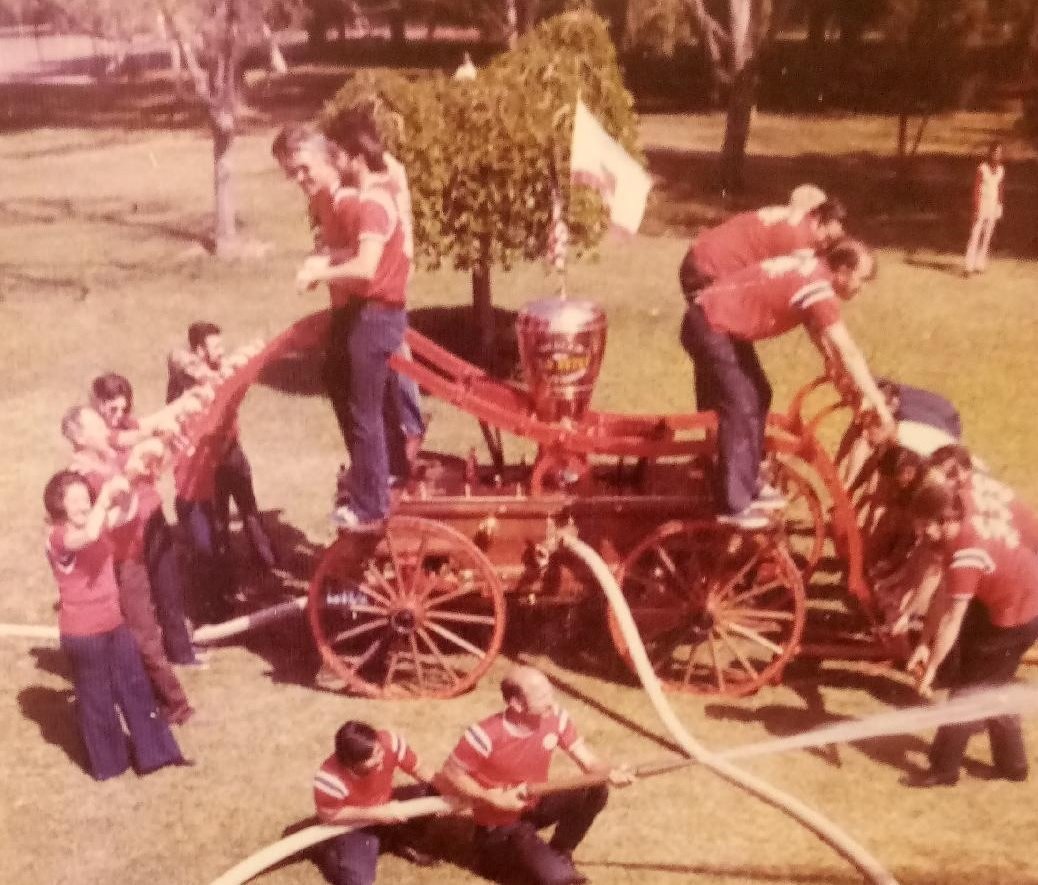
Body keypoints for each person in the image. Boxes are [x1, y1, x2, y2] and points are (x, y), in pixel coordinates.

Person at [680, 240, 896, 528]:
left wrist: (836, 371)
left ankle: (749, 479)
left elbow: (823, 338)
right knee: (742, 404)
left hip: (716, 321)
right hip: (711, 326)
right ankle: (732, 503)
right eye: (862, 279)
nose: (862, 288)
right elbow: (848, 351)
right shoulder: (819, 290)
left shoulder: (811, 268)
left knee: (760, 392)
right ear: (843, 271)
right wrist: (879, 403)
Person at [273, 123, 424, 484]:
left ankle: (378, 474)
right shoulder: (324, 198)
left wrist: (323, 270)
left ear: (328, 159)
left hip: (367, 306)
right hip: (351, 304)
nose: (298, 178)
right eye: (290, 172)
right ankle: (383, 467)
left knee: (365, 397)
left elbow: (368, 260)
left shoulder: (352, 199)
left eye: (303, 168)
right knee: (344, 380)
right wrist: (323, 258)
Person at [43, 469, 188, 780]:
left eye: (86, 498)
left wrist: (124, 488)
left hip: (114, 624)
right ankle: (110, 766)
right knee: (97, 701)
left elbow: (127, 512)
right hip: (83, 635)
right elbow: (89, 535)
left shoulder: (95, 521)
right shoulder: (59, 536)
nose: (83, 505)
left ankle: (157, 755)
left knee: (136, 688)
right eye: (75, 501)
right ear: (60, 507)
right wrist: (104, 499)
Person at [438, 665, 632, 885]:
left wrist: (610, 773)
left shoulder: (555, 717)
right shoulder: (484, 735)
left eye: (550, 692)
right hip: (499, 826)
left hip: (533, 806)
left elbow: (588, 761)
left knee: (594, 789)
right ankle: (509, 861)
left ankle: (560, 851)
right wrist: (492, 798)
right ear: (517, 704)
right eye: (542, 696)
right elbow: (451, 773)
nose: (552, 701)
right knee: (563, 881)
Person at [62, 405, 195, 723]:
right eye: (96, 426)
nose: (104, 431)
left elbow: (140, 472)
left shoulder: (108, 456)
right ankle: (175, 703)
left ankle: (165, 700)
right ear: (79, 437)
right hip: (118, 563)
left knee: (140, 632)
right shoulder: (79, 479)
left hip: (134, 552)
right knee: (142, 633)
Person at [903, 480, 1038, 787]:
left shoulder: (967, 552)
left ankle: (945, 769)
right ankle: (1012, 765)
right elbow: (941, 594)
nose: (923, 535)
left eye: (927, 529)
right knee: (990, 684)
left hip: (1017, 611)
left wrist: (933, 669)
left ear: (946, 520)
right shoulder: (959, 500)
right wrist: (924, 643)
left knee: (970, 690)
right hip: (1009, 592)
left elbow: (952, 616)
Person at [90, 372, 200, 667]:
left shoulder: (126, 424)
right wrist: (161, 428)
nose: (118, 415)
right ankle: (147, 661)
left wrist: (187, 402)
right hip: (125, 533)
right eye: (111, 409)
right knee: (136, 604)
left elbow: (150, 422)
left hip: (151, 516)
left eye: (123, 409)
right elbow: (132, 435)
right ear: (97, 404)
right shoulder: (97, 435)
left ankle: (182, 653)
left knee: (169, 587)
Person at [169, 321, 277, 575]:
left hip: (231, 451)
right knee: (218, 520)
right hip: (206, 462)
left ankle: (267, 562)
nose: (221, 350)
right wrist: (216, 374)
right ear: (199, 350)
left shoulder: (222, 365)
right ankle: (224, 572)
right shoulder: (184, 373)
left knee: (249, 509)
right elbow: (177, 357)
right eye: (215, 347)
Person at [313, 720, 438, 884]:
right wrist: (378, 814)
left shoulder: (390, 742)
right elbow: (330, 815)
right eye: (373, 759)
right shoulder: (329, 780)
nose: (382, 759)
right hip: (355, 824)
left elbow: (419, 768)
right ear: (351, 764)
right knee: (358, 881)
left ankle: (404, 841)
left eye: (379, 751)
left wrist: (447, 792)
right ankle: (331, 852)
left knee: (432, 790)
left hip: (386, 806)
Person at [678, 196, 847, 300]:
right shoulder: (801, 242)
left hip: (697, 256)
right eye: (826, 237)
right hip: (712, 270)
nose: (823, 246)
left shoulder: (792, 213)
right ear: (818, 217)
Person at [963, 141, 1005, 276]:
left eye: (999, 153)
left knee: (987, 235)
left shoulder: (1001, 170)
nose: (997, 155)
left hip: (993, 205)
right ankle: (968, 265)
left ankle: (980, 263)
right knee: (975, 234)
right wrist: (976, 207)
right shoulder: (982, 169)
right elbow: (976, 189)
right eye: (995, 152)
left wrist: (999, 204)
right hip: (982, 204)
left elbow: (1000, 189)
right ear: (990, 153)